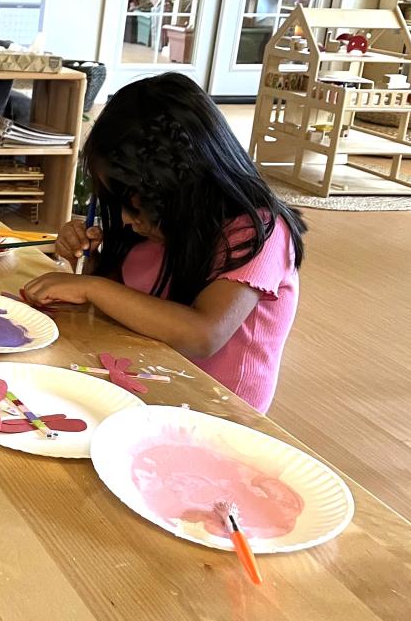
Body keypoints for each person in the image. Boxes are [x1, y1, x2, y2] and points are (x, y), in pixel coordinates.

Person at [23, 73, 306, 413]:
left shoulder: (260, 231)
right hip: (143, 390)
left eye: (132, 202)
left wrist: (91, 287)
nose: (125, 218)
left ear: (177, 188)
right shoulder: (152, 229)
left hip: (215, 417)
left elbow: (203, 335)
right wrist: (90, 259)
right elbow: (127, 306)